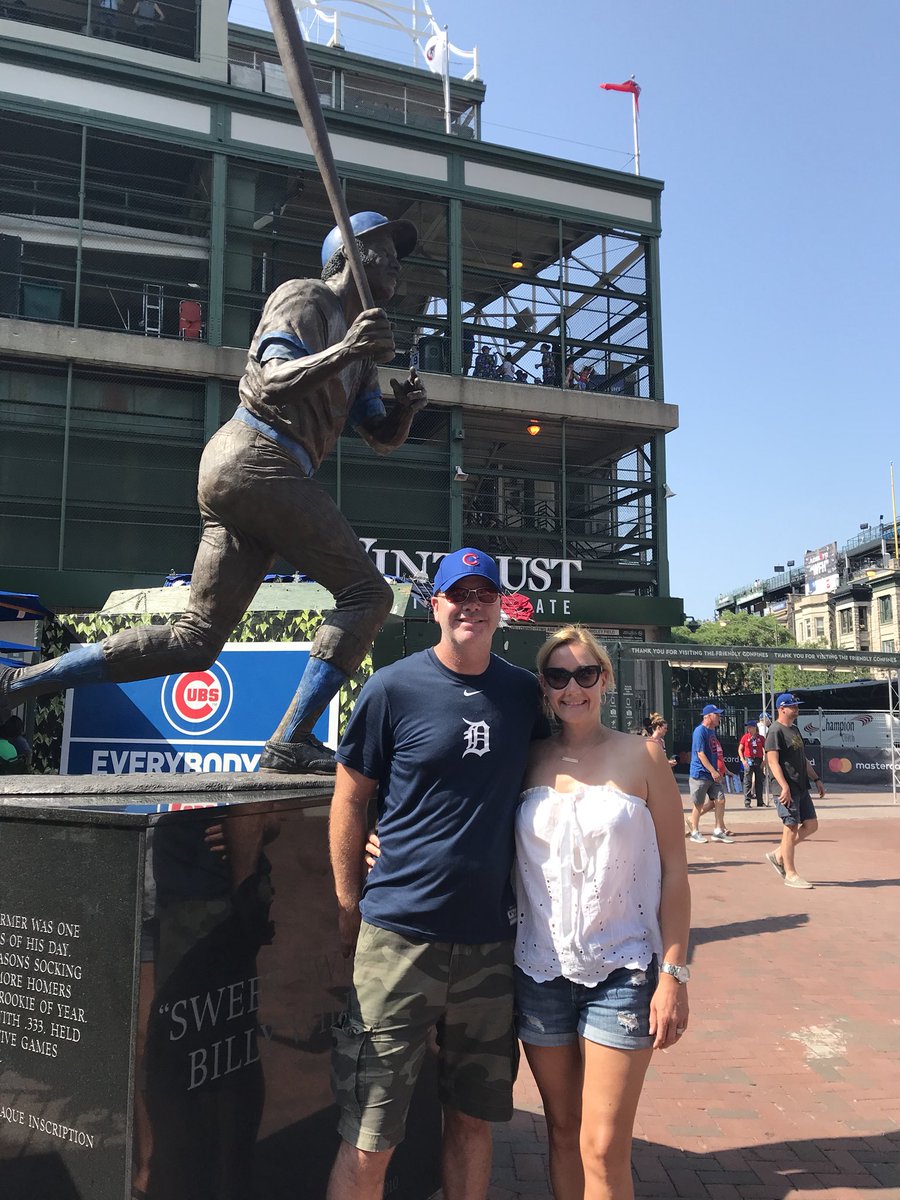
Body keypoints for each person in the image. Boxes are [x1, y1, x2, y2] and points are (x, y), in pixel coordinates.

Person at [0, 211, 427, 775]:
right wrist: (346, 349)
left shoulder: (364, 347)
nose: (396, 264)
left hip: (259, 471)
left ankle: (15, 683)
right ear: (347, 256)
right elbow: (270, 381)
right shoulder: (306, 298)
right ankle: (290, 740)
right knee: (368, 595)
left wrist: (404, 411)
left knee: (195, 641)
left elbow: (380, 437)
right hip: (257, 454)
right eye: (383, 252)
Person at [326, 547, 547, 1200]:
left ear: (501, 607)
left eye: (484, 594)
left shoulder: (522, 694)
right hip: (398, 937)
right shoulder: (392, 688)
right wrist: (348, 902)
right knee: (369, 1135)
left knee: (473, 1122)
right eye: (458, 594)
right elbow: (350, 797)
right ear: (435, 606)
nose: (471, 606)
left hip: (490, 943)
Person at [515, 626, 690, 1200]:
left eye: (585, 674)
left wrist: (674, 975)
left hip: (623, 971)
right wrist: (381, 840)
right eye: (558, 676)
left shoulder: (643, 757)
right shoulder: (528, 759)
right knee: (563, 1132)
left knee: (604, 1144)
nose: (573, 688)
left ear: (605, 679)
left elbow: (675, 872)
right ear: (544, 686)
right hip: (538, 972)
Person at [764, 692, 825, 889]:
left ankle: (778, 854)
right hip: (786, 789)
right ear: (781, 709)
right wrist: (784, 786)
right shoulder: (775, 731)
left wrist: (816, 779)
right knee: (790, 828)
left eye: (797, 705)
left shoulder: (795, 729)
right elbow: (772, 762)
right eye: (793, 706)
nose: (796, 709)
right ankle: (790, 874)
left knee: (811, 825)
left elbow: (803, 758)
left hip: (801, 786)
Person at [687, 705, 734, 844]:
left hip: (713, 774)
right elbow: (700, 754)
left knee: (720, 800)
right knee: (698, 804)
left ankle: (718, 831)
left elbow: (715, 753)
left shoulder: (712, 731)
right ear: (708, 716)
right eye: (716, 715)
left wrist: (717, 770)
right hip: (700, 774)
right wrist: (713, 771)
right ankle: (694, 832)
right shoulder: (699, 731)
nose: (719, 717)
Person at [738, 717, 767, 808]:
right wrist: (743, 760)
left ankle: (760, 801)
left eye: (750, 727)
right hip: (748, 759)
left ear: (755, 728)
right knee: (748, 781)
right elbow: (740, 749)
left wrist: (765, 760)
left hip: (758, 759)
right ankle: (747, 802)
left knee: (759, 781)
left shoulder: (761, 738)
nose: (748, 729)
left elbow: (767, 749)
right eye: (748, 727)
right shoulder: (745, 737)